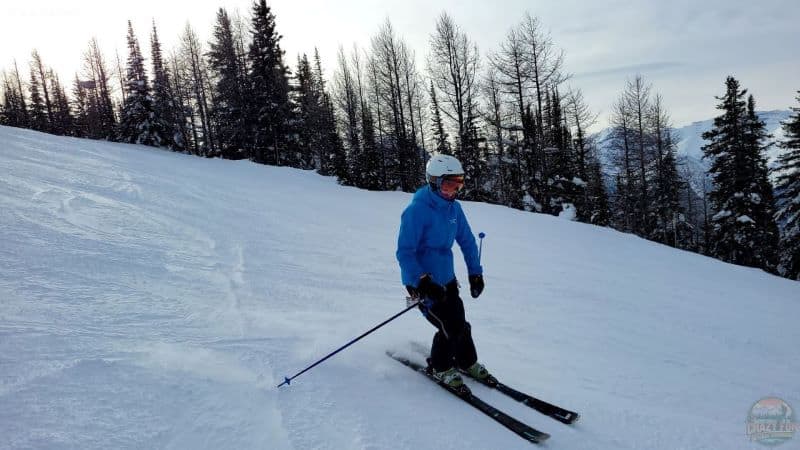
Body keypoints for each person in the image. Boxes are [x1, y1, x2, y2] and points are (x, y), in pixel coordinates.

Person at [396, 154, 489, 388]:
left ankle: (467, 361)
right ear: (434, 182)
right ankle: (440, 367)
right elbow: (405, 252)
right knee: (450, 326)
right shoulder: (417, 211)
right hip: (422, 284)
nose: (453, 191)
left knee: (461, 324)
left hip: (447, 279)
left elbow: (467, 241)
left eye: (458, 185)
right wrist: (422, 280)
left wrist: (475, 273)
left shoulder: (454, 209)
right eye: (449, 185)